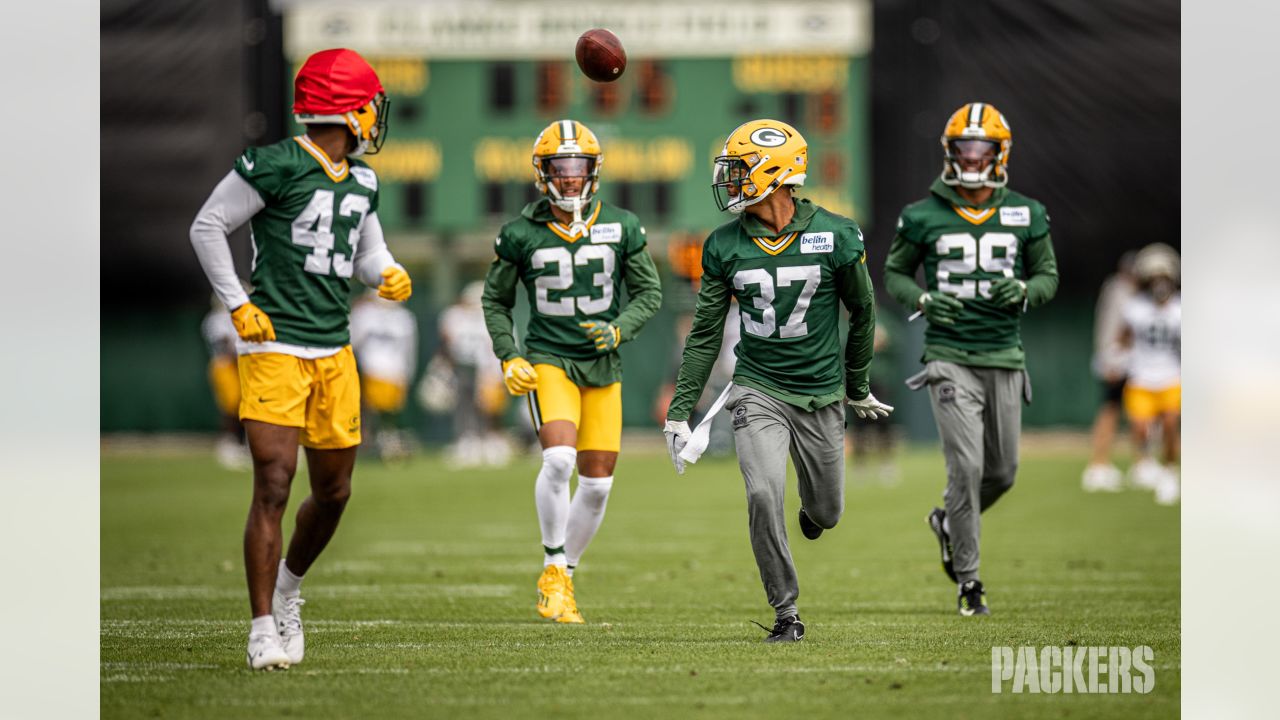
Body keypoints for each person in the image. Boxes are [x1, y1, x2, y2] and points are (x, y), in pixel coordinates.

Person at [189, 48, 411, 670]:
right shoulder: (274, 163)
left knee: (335, 491)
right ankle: (263, 626)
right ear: (348, 110)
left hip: (334, 351)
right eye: (369, 105)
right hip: (275, 347)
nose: (375, 116)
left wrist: (386, 274)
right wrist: (237, 303)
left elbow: (368, 254)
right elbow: (208, 226)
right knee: (274, 483)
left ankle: (288, 587)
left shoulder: (362, 180)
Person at [664, 119, 891, 643]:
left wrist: (856, 384)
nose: (731, 181)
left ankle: (813, 513)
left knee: (828, 511)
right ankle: (786, 611)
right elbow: (703, 335)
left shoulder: (835, 233)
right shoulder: (723, 245)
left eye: (741, 170)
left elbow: (863, 310)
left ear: (775, 172)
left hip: (820, 392)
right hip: (757, 387)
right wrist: (681, 411)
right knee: (763, 494)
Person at [481, 119, 663, 624]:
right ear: (542, 174)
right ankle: (553, 565)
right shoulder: (521, 232)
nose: (569, 178)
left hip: (603, 364)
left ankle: (567, 574)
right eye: (559, 169)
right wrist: (508, 353)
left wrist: (620, 328)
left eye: (577, 167)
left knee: (599, 485)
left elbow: (650, 293)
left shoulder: (622, 225)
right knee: (559, 460)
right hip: (550, 358)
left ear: (594, 171)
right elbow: (495, 299)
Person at [883, 102, 1058, 616]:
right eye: (964, 148)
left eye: (982, 149)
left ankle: (946, 522)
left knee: (1001, 473)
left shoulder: (1026, 212)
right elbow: (895, 274)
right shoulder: (921, 215)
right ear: (949, 152)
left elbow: (1048, 275)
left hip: (1004, 354)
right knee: (966, 466)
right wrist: (922, 299)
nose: (973, 158)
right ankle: (970, 582)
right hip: (948, 354)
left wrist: (1026, 289)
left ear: (1000, 154)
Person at [1118, 243, 1181, 504]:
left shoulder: (1180, 309)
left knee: (1169, 425)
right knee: (1141, 429)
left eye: (1163, 278)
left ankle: (1169, 471)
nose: (1159, 284)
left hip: (1170, 376)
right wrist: (1118, 356)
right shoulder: (1135, 307)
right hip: (1141, 377)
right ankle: (1145, 464)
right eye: (1154, 278)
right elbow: (1123, 337)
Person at [429, 280, 509, 467]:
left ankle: (490, 443)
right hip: (463, 367)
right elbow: (447, 343)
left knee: (490, 408)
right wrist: (442, 367)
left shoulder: (494, 318)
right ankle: (468, 442)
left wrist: (496, 372)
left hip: (488, 369)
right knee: (464, 406)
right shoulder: (454, 316)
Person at [1082, 252, 1137, 492]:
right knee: (1111, 409)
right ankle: (1098, 465)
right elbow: (1115, 329)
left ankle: (1140, 463)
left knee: (1137, 412)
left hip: (1129, 359)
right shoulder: (1119, 290)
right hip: (1117, 359)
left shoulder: (1124, 291)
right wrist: (1111, 358)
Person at [350, 289, 418, 462]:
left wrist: (407, 371)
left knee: (390, 413)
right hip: (372, 369)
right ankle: (371, 443)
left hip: (394, 371)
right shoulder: (365, 315)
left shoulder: (404, 319)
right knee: (372, 410)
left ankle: (386, 444)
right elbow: (353, 341)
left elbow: (409, 349)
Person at [201, 294, 251, 471]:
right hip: (224, 365)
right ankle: (228, 444)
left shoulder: (241, 315)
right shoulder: (215, 319)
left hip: (241, 365)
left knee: (245, 404)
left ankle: (244, 444)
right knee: (231, 405)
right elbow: (225, 345)